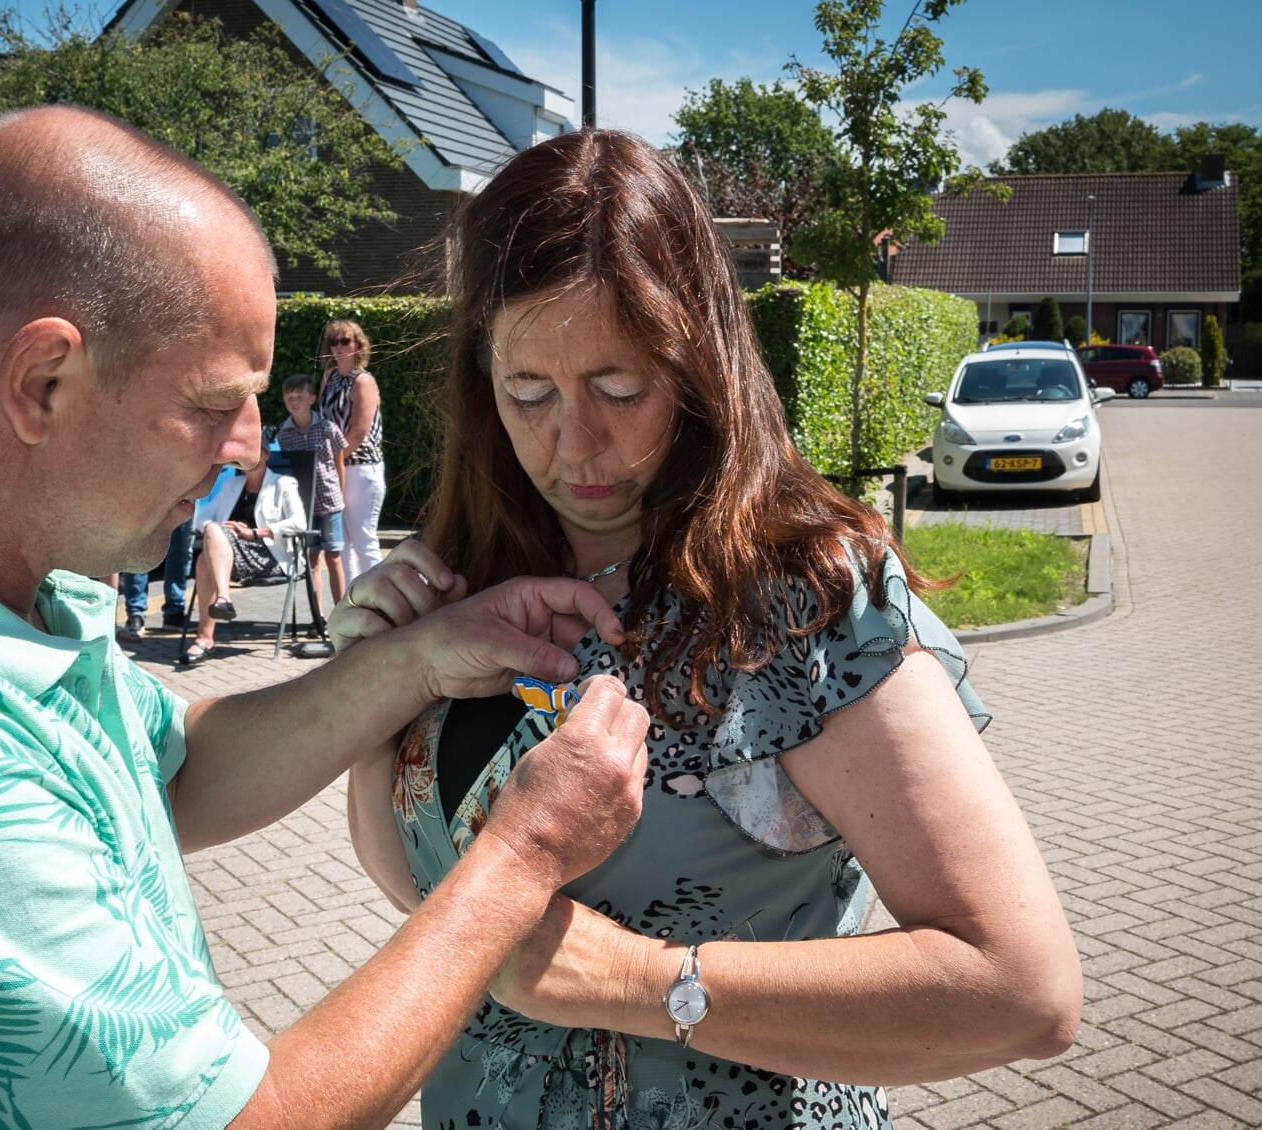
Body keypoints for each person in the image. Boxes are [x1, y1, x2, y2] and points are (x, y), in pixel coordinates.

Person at [0, 105, 652, 1130]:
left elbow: (168, 765)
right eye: (211, 402)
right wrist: (524, 850)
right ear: (42, 382)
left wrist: (418, 657)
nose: (245, 445)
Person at [335, 129, 1083, 1129]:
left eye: (618, 386)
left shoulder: (797, 598)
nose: (573, 442)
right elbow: (418, 880)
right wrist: (373, 692)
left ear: (697, 365)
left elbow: (1022, 988)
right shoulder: (474, 583)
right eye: (529, 391)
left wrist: (639, 979)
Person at [179, 459, 305, 664]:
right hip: (230, 557)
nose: (251, 461)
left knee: (204, 559)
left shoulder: (283, 483)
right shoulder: (231, 485)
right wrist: (227, 528)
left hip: (269, 557)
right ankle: (222, 602)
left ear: (265, 455)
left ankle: (205, 637)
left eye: (257, 455)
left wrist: (254, 533)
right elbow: (202, 517)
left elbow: (299, 523)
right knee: (209, 540)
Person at [318, 318, 385, 581]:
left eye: (345, 340)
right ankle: (351, 607)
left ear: (358, 345)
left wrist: (333, 460)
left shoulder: (363, 381)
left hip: (361, 468)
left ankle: (381, 607)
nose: (339, 347)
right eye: (334, 342)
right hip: (335, 468)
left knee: (363, 541)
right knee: (341, 543)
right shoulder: (329, 377)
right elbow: (323, 422)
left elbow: (358, 432)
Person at [274, 373, 348, 608]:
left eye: (299, 396)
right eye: (289, 397)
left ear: (312, 398)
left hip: (329, 500)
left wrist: (341, 492)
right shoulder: (283, 434)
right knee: (311, 559)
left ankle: (341, 611)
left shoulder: (327, 428)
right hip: (303, 504)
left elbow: (339, 461)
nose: (293, 402)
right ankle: (318, 616)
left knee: (334, 556)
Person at [115, 520, 192, 642]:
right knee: (139, 544)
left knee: (181, 549)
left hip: (184, 501)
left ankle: (174, 615)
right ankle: (135, 614)